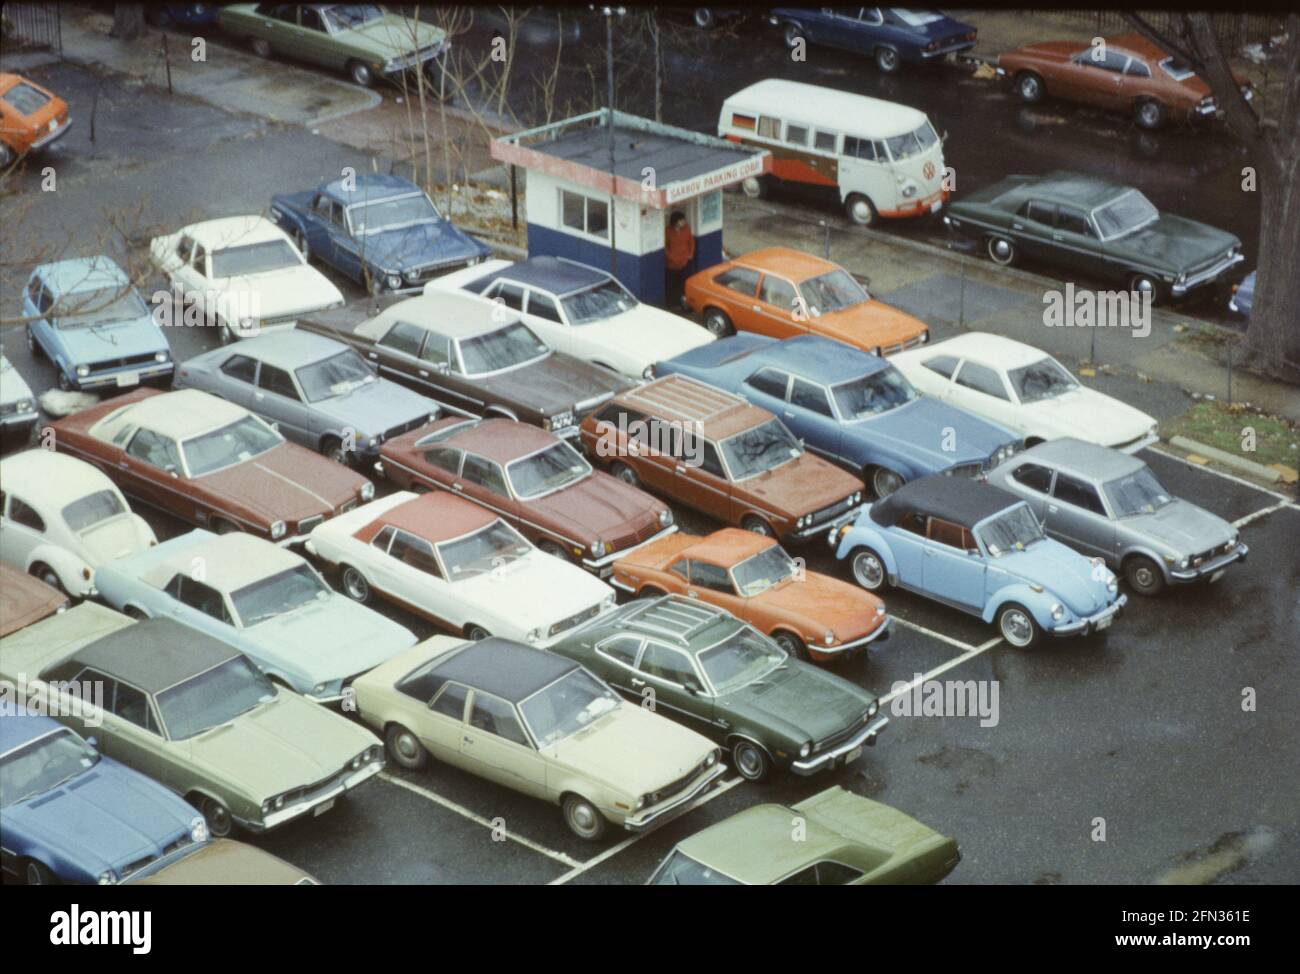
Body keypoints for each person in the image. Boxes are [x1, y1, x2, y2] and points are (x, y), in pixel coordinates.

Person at [663, 210, 695, 311]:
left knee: (683, 285)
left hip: (684, 262)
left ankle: (683, 303)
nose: (684, 222)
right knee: (672, 285)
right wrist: (672, 258)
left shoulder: (686, 229)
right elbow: (665, 247)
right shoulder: (668, 231)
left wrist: (690, 254)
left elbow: (691, 241)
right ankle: (672, 304)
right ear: (676, 221)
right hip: (672, 265)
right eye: (682, 220)